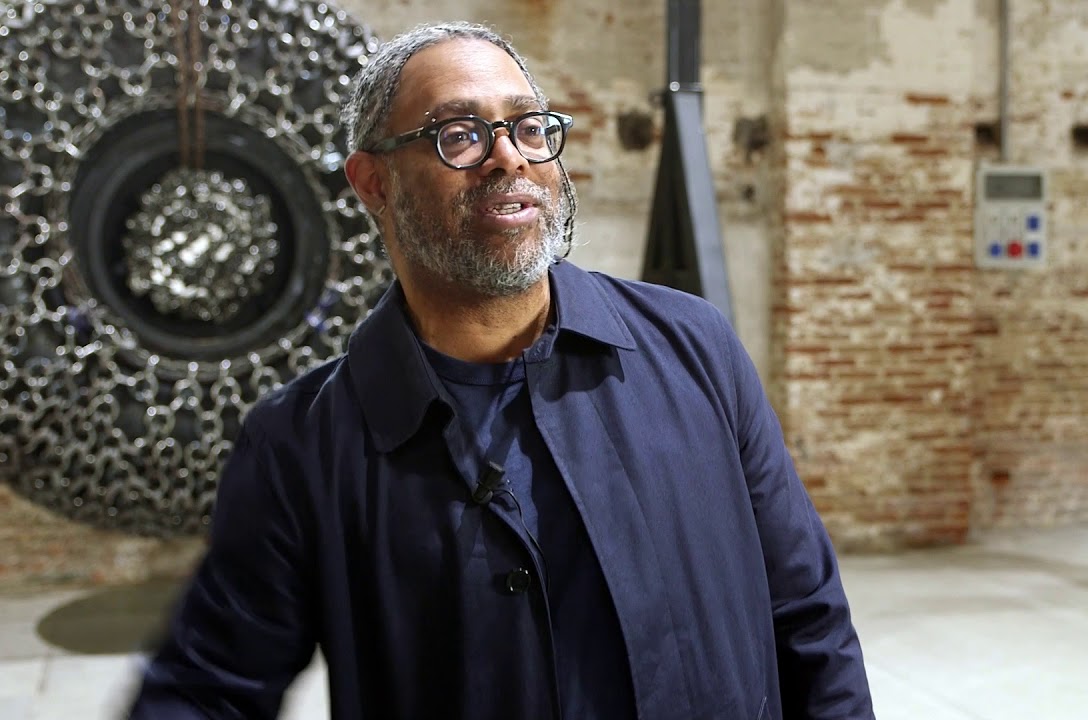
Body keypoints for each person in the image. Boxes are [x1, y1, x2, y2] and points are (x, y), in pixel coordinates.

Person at [128, 20, 875, 720]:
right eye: (458, 135)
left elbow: (808, 617)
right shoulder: (303, 445)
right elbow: (206, 691)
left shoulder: (694, 347)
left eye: (528, 128)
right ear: (373, 183)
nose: (509, 157)